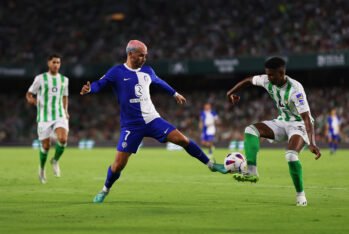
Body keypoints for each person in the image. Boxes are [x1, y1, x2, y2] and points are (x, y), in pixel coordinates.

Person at [80, 40, 227, 203]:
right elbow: (100, 84)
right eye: (141, 55)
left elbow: (159, 82)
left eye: (145, 55)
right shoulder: (116, 72)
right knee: (118, 165)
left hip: (152, 119)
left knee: (182, 139)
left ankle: (211, 165)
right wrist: (90, 89)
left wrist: (175, 93)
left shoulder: (148, 71)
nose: (144, 58)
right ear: (130, 54)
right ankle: (105, 190)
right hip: (131, 125)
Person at [226, 56, 321, 206]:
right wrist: (229, 93)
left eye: (272, 74)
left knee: (290, 156)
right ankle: (251, 170)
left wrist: (312, 143)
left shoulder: (296, 90)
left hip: (299, 125)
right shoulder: (266, 80)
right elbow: (248, 80)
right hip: (283, 121)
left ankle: (300, 196)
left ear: (282, 73)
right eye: (267, 74)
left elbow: (307, 118)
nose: (268, 77)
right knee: (250, 130)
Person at [26, 54, 69, 184]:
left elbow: (65, 96)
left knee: (63, 139)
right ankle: (42, 169)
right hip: (44, 117)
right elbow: (29, 93)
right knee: (46, 146)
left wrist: (66, 111)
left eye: (58, 62)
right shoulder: (40, 79)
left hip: (59, 115)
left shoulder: (64, 80)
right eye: (54, 62)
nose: (56, 65)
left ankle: (55, 160)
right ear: (48, 63)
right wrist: (32, 100)